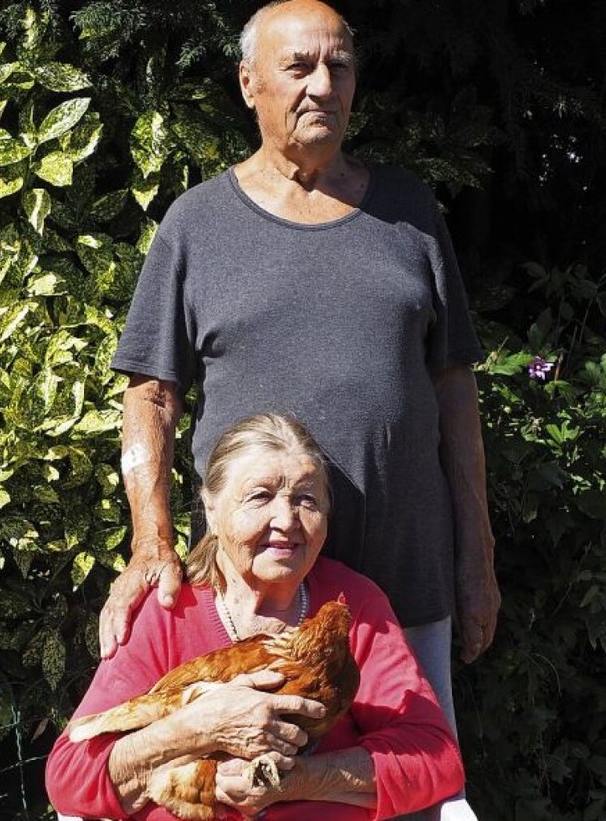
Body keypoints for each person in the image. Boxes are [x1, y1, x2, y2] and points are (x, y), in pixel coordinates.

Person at [101, 1, 500, 817]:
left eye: (340, 65)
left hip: (403, 579)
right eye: (298, 67)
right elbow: (149, 393)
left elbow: (455, 390)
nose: (323, 84)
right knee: (243, 790)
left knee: (409, 786)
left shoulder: (410, 214)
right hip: (248, 601)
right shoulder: (197, 225)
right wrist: (151, 539)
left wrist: (479, 549)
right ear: (248, 83)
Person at [46, 414, 465, 820]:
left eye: (306, 499)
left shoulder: (352, 608)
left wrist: (299, 781)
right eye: (260, 496)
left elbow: (436, 759)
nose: (286, 521)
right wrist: (198, 727)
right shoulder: (169, 609)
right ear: (210, 510)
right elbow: (70, 775)